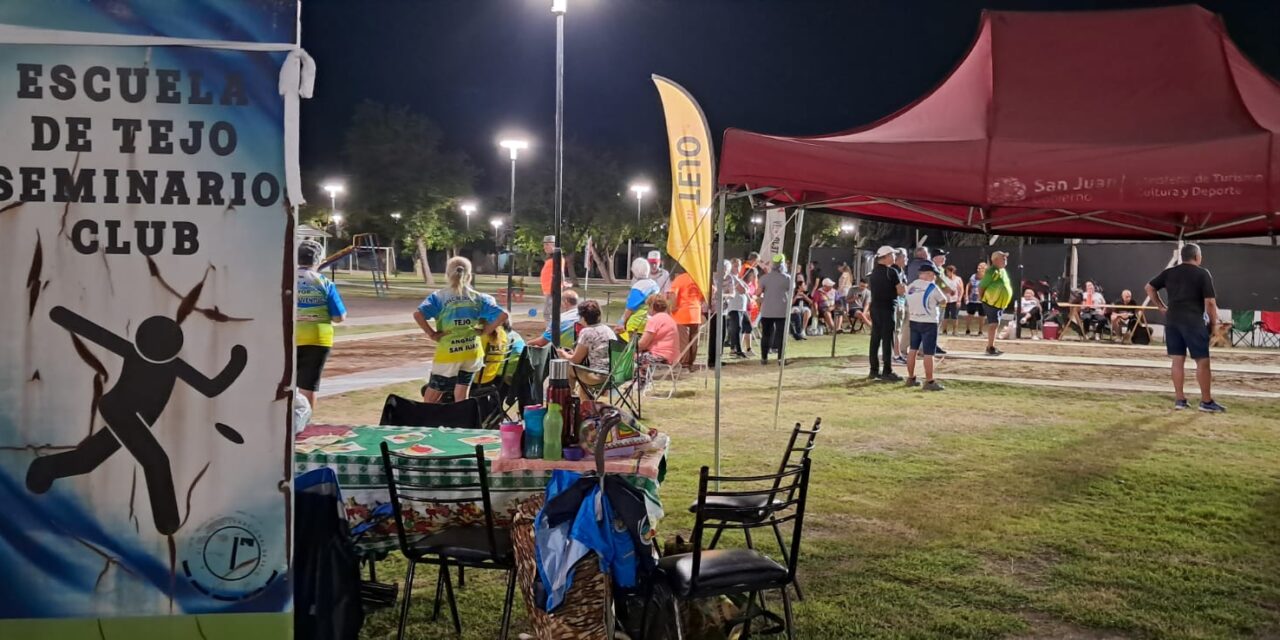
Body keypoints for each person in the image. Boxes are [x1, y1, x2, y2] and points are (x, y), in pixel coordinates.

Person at [414, 256, 508, 403]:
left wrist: (432, 334)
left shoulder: (439, 297)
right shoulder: (479, 297)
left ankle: (425, 422)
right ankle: (461, 420)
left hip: (448, 353)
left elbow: (418, 314)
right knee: (462, 395)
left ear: (447, 275)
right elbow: (503, 315)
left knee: (432, 396)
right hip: (472, 352)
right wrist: (485, 331)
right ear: (469, 276)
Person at [1145, 243, 1224, 412]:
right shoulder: (1203, 273)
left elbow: (1149, 287)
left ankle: (1180, 400)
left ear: (1182, 256)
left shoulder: (1170, 272)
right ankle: (1206, 401)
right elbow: (1210, 302)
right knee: (1202, 361)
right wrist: (1213, 323)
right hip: (1193, 321)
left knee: (1177, 361)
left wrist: (1160, 307)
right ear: (1197, 257)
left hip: (1172, 320)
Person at [295, 240, 347, 411]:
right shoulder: (324, 283)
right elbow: (339, 317)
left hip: (287, 336)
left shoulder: (284, 279)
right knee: (308, 385)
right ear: (318, 260)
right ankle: (305, 422)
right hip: (318, 339)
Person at [558, 300, 617, 397]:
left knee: (567, 367)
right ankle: (585, 404)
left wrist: (563, 354)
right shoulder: (607, 329)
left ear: (583, 317)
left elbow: (575, 360)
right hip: (613, 375)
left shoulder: (587, 332)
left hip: (597, 376)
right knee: (582, 371)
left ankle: (568, 398)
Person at [905, 263, 948, 391]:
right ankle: (929, 381)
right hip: (929, 321)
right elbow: (944, 300)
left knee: (913, 350)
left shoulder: (911, 286)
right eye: (933, 275)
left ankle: (911, 377)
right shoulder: (932, 287)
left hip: (914, 319)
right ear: (929, 274)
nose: (934, 277)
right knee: (929, 353)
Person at [868, 246, 905, 381]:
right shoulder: (892, 272)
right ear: (887, 256)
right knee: (887, 339)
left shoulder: (872, 273)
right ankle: (887, 371)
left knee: (875, 339)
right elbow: (901, 291)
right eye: (893, 255)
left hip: (875, 308)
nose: (894, 257)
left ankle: (873, 370)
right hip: (887, 308)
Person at [637, 294, 679, 388]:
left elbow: (642, 344)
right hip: (672, 355)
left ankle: (641, 385)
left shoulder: (654, 320)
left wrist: (630, 349)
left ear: (652, 307)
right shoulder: (669, 318)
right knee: (641, 356)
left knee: (635, 357)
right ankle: (644, 383)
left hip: (660, 355)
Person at [758, 253, 793, 364]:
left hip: (767, 310)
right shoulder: (788, 278)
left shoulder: (764, 278)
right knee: (780, 335)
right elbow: (792, 291)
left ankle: (764, 358)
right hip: (781, 310)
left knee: (766, 335)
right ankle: (780, 358)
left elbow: (758, 293)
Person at [668, 267, 705, 370]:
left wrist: (673, 308)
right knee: (693, 340)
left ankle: (684, 364)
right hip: (696, 312)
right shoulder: (700, 280)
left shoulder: (680, 279)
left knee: (683, 341)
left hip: (682, 314)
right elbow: (706, 294)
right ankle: (691, 362)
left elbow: (673, 294)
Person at [978, 251, 1013, 356]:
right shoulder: (991, 271)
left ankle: (991, 346)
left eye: (1005, 258)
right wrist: (982, 299)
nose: (1005, 259)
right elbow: (981, 286)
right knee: (993, 324)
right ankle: (990, 347)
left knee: (995, 324)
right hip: (991, 302)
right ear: (995, 260)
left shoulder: (1002, 270)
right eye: (1003, 258)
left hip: (999, 303)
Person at [616, 258, 659, 340]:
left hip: (636, 326)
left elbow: (630, 309)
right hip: (651, 323)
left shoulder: (638, 287)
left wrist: (621, 323)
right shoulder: (654, 285)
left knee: (633, 350)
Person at [722, 260, 749, 358]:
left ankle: (734, 348)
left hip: (741, 307)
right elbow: (743, 290)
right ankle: (737, 350)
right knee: (737, 328)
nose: (737, 268)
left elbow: (747, 288)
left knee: (741, 327)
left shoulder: (738, 278)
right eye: (735, 266)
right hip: (734, 307)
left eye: (739, 266)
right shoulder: (731, 278)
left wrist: (745, 288)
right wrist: (745, 288)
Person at [540, 235, 565, 319]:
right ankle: (553, 330)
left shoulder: (557, 257)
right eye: (544, 244)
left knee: (548, 314)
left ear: (554, 245)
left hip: (552, 290)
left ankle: (551, 331)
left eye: (547, 244)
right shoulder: (551, 258)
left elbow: (560, 272)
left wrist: (561, 283)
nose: (545, 247)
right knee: (550, 313)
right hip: (549, 290)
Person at [893, 248, 910, 363]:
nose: (906, 259)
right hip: (897, 302)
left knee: (898, 329)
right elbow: (900, 289)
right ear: (898, 258)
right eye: (905, 257)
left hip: (901, 302)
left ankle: (897, 353)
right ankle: (896, 354)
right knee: (896, 330)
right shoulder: (894, 270)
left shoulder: (901, 270)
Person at [964, 261, 988, 335]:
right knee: (970, 315)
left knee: (982, 316)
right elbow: (968, 285)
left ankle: (980, 330)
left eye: (981, 267)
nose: (979, 268)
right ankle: (967, 329)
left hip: (983, 300)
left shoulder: (987, 278)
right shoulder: (973, 276)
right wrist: (966, 295)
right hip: (972, 300)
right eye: (979, 266)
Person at [941, 264, 964, 336]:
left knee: (955, 316)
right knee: (945, 316)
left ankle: (955, 331)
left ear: (952, 271)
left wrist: (959, 300)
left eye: (949, 272)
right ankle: (944, 330)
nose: (948, 273)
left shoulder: (958, 279)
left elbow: (961, 290)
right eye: (947, 272)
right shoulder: (944, 279)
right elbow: (941, 288)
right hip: (946, 300)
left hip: (954, 300)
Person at [742, 267, 760, 356]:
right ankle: (742, 348)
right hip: (743, 309)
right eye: (754, 275)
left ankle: (746, 348)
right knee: (745, 328)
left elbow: (754, 295)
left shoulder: (752, 285)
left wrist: (754, 297)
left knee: (747, 329)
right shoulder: (744, 284)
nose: (755, 277)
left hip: (750, 309)